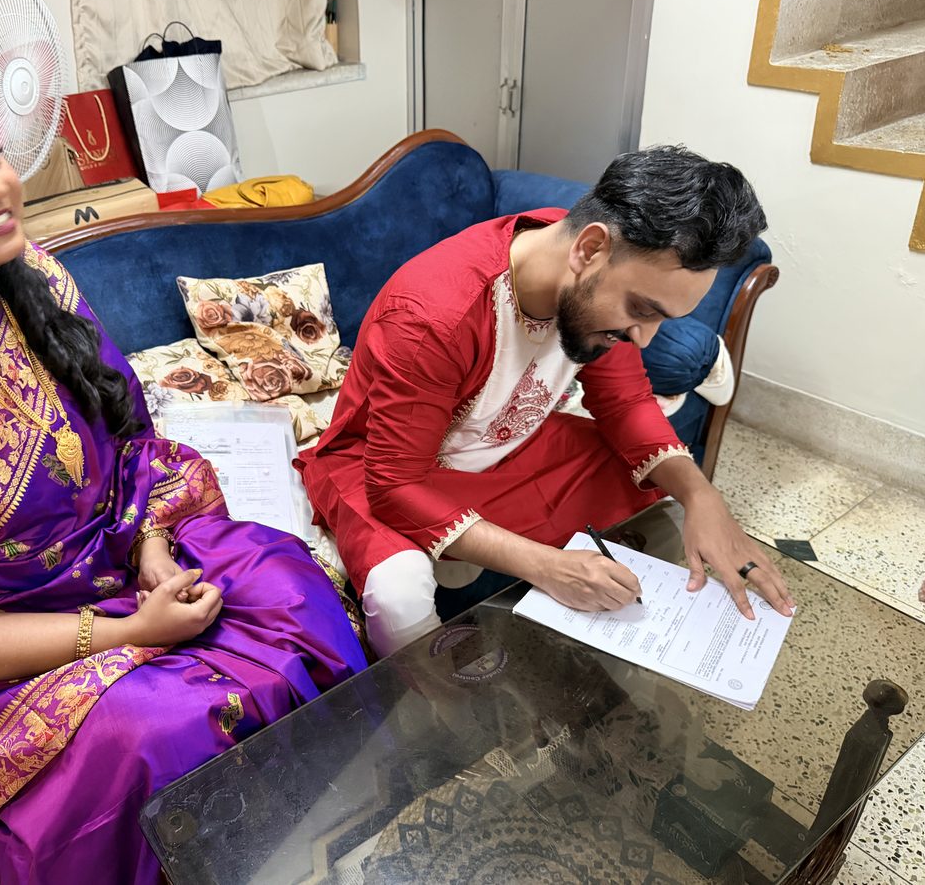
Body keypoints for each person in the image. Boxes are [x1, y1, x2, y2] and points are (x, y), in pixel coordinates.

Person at [0, 55, 366, 885]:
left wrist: (152, 544)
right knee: (165, 728)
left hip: (121, 558)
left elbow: (126, 443)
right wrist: (127, 633)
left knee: (288, 579)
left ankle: (323, 839)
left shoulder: (37, 278)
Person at [297, 146, 797, 657]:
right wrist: (548, 567)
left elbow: (624, 405)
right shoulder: (433, 316)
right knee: (398, 590)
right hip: (387, 465)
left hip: (508, 446)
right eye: (642, 309)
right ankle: (437, 717)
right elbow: (395, 483)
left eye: (662, 319)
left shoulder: (582, 256)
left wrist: (702, 497)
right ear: (590, 249)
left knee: (661, 490)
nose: (645, 339)